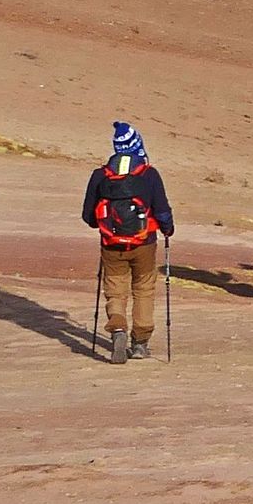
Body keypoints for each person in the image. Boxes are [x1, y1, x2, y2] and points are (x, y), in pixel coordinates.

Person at [80, 121, 174, 362]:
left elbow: (88, 216)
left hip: (111, 244)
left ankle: (118, 329)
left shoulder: (100, 175)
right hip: (144, 243)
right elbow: (162, 210)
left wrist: (105, 227)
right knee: (143, 289)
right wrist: (167, 230)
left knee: (115, 289)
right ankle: (140, 343)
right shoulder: (149, 174)